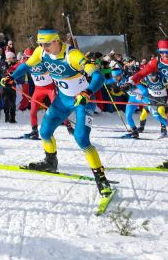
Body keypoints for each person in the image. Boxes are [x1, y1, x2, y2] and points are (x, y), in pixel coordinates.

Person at [12, 28, 112, 196]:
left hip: (82, 102)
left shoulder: (72, 55)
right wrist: (11, 77)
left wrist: (87, 93)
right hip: (62, 101)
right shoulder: (40, 52)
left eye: (47, 44)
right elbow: (26, 66)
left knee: (81, 138)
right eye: (41, 44)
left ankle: (101, 178)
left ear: (57, 41)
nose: (44, 48)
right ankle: (50, 162)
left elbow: (99, 76)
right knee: (45, 132)